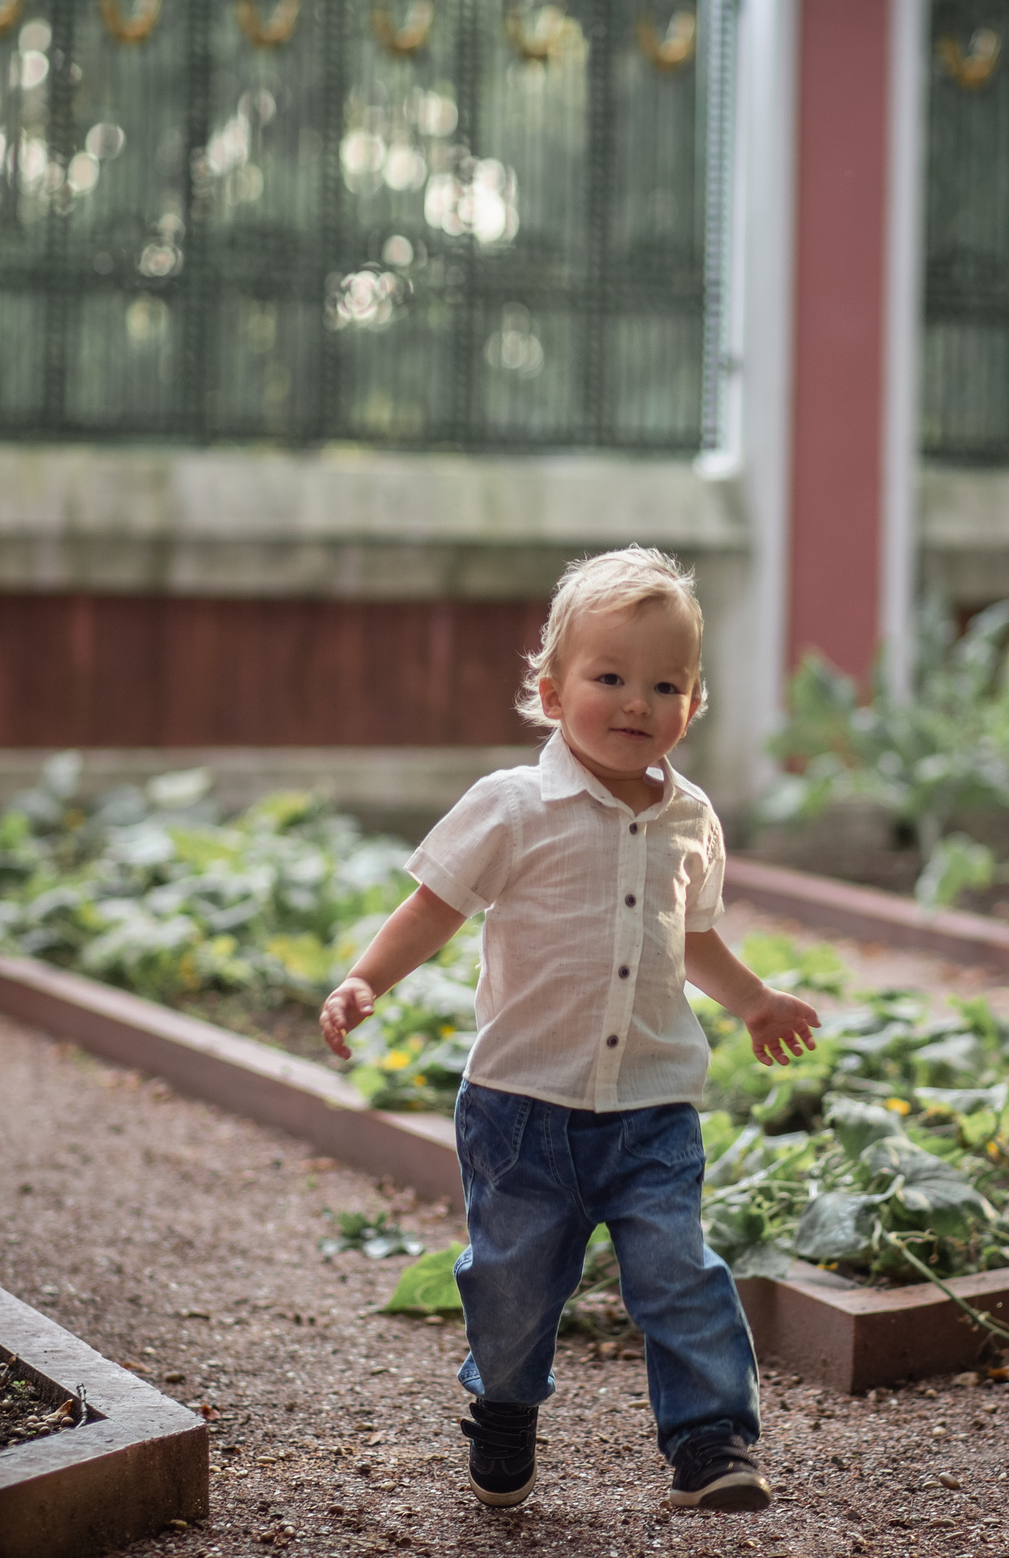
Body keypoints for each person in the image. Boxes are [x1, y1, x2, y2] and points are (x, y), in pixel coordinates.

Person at [319, 547, 821, 1515]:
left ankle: (712, 1439)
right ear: (550, 694)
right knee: (511, 1293)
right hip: (521, 1112)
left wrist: (754, 1000)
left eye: (664, 683)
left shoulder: (692, 819)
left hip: (652, 1108)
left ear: (695, 703)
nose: (636, 701)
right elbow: (433, 906)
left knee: (681, 1272)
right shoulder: (513, 806)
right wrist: (364, 979)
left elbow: (695, 937)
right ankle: (504, 1404)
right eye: (609, 677)